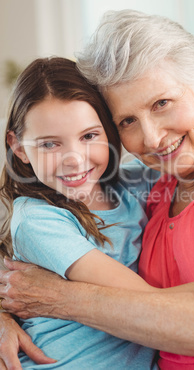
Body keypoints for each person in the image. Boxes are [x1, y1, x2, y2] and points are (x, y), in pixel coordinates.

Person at [1, 10, 194, 369]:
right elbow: (27, 252)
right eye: (127, 121)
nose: (152, 138)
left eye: (162, 103)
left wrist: (57, 298)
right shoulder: (155, 182)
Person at [0, 56, 167, 369]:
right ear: (19, 147)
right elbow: (149, 303)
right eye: (50, 144)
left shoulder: (132, 185)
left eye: (89, 136)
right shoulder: (37, 219)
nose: (74, 160)